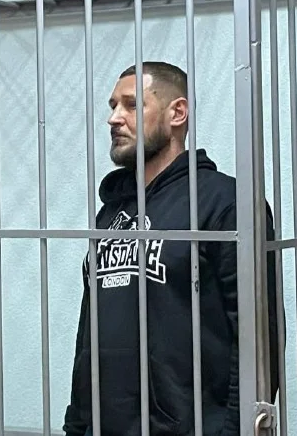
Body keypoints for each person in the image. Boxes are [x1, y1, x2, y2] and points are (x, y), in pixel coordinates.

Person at [62, 61, 281, 435]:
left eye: (132, 105)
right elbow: (89, 331)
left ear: (177, 113)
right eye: (113, 106)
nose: (114, 118)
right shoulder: (111, 212)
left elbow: (259, 337)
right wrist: (77, 425)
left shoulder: (225, 203)